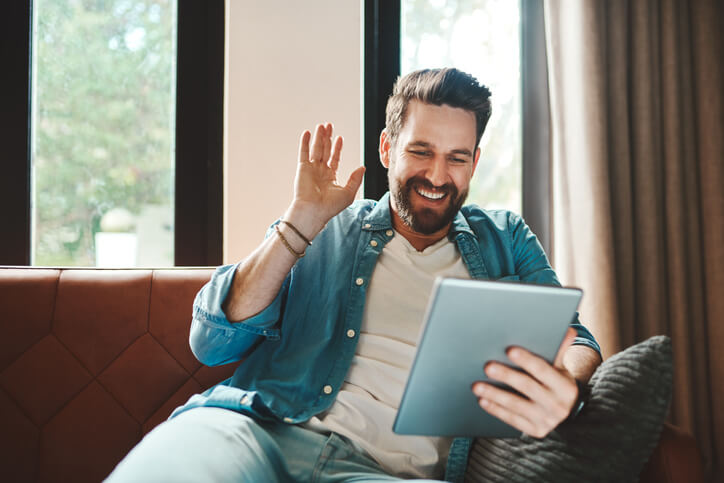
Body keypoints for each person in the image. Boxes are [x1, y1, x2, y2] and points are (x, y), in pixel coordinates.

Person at [106, 68, 602, 483]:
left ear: (474, 162)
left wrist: (568, 386)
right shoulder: (326, 222)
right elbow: (211, 343)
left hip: (384, 474)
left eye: (456, 158)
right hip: (256, 434)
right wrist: (299, 222)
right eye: (421, 151)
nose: (436, 175)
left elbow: (575, 339)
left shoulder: (505, 237)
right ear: (387, 148)